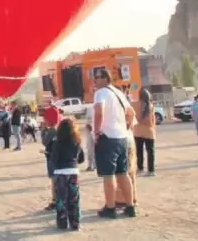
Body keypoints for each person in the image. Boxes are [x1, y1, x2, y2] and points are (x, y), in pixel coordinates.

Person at [92, 69, 136, 219]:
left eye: (96, 77)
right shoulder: (118, 93)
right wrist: (126, 126)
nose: (94, 81)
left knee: (108, 174)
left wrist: (97, 132)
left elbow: (99, 112)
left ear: (105, 78)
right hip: (121, 137)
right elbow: (130, 112)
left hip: (108, 137)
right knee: (122, 173)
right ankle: (130, 206)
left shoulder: (101, 93)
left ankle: (110, 207)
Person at [49, 118, 85, 231]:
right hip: (73, 172)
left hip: (60, 173)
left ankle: (62, 223)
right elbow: (81, 159)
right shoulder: (77, 141)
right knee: (74, 199)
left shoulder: (57, 142)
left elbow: (54, 160)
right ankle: (75, 223)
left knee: (61, 199)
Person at [133, 88, 157, 176]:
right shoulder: (150, 106)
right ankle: (151, 170)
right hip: (149, 131)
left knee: (139, 151)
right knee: (150, 151)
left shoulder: (134, 104)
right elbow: (153, 120)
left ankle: (140, 168)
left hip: (137, 131)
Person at [42, 107, 60, 210]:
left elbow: (44, 141)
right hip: (59, 158)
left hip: (53, 158)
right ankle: (58, 199)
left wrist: (44, 129)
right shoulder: (60, 127)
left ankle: (55, 201)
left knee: (54, 181)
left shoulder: (52, 130)